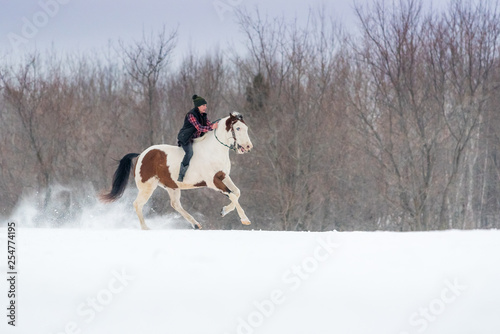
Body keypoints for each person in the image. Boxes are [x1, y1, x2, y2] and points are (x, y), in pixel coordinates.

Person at [176, 94, 218, 182]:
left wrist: (217, 123)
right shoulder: (191, 115)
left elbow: (208, 124)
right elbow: (199, 127)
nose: (205, 107)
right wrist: (211, 127)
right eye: (203, 105)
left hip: (195, 138)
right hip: (186, 138)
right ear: (198, 106)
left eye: (205, 105)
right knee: (189, 153)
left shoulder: (203, 115)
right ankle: (181, 174)